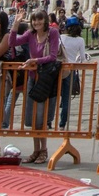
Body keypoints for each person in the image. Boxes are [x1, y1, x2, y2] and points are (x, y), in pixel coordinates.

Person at [14, 10, 60, 162]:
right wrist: (16, 23)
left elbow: (53, 56)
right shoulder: (30, 34)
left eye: (40, 20)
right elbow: (12, 42)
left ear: (45, 21)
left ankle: (44, 150)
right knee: (33, 117)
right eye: (34, 20)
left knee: (42, 116)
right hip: (33, 78)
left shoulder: (52, 33)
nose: (37, 23)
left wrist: (34, 61)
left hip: (45, 79)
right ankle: (36, 150)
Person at [57, 16, 89, 129]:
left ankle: (48, 121)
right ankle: (62, 124)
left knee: (53, 95)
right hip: (71, 70)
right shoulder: (80, 40)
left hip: (59, 69)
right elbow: (83, 58)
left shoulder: (61, 38)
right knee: (66, 98)